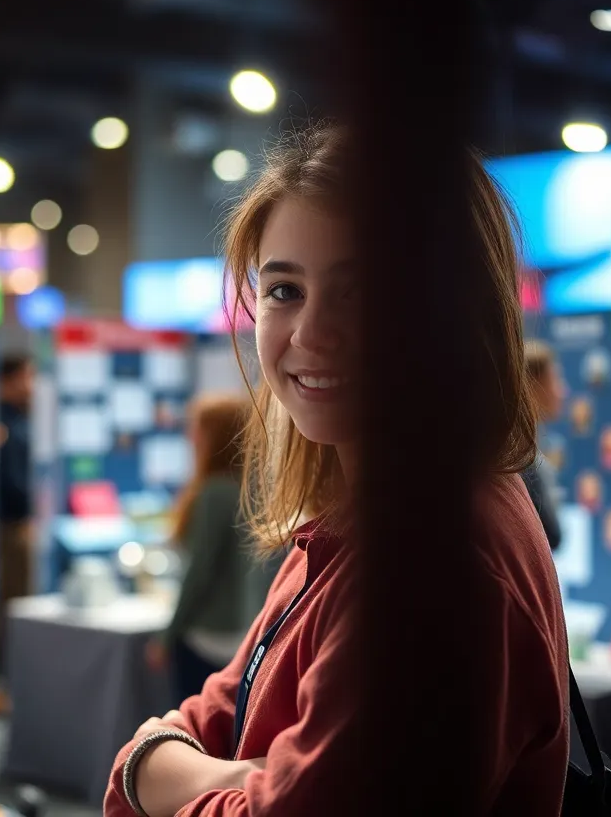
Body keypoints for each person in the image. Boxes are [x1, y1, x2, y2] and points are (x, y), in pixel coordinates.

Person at [103, 123, 569, 817]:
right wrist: (197, 769)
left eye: (362, 294)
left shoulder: (436, 556)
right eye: (285, 290)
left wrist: (160, 777)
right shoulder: (356, 518)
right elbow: (227, 703)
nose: (312, 334)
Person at [144, 394, 258, 706]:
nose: (190, 436)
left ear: (215, 435)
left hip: (207, 635)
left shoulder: (214, 493)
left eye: (197, 428)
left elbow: (199, 573)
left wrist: (167, 637)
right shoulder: (251, 488)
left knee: (194, 726)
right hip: (241, 632)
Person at [0, 352, 34, 716]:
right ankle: (2, 687)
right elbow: (9, 482)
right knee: (9, 605)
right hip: (8, 529)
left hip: (20, 526)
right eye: (25, 377)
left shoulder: (19, 419)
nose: (30, 385)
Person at [522, 340, 566, 550]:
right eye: (555, 380)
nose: (562, 391)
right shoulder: (523, 462)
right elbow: (552, 535)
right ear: (534, 386)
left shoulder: (529, 453)